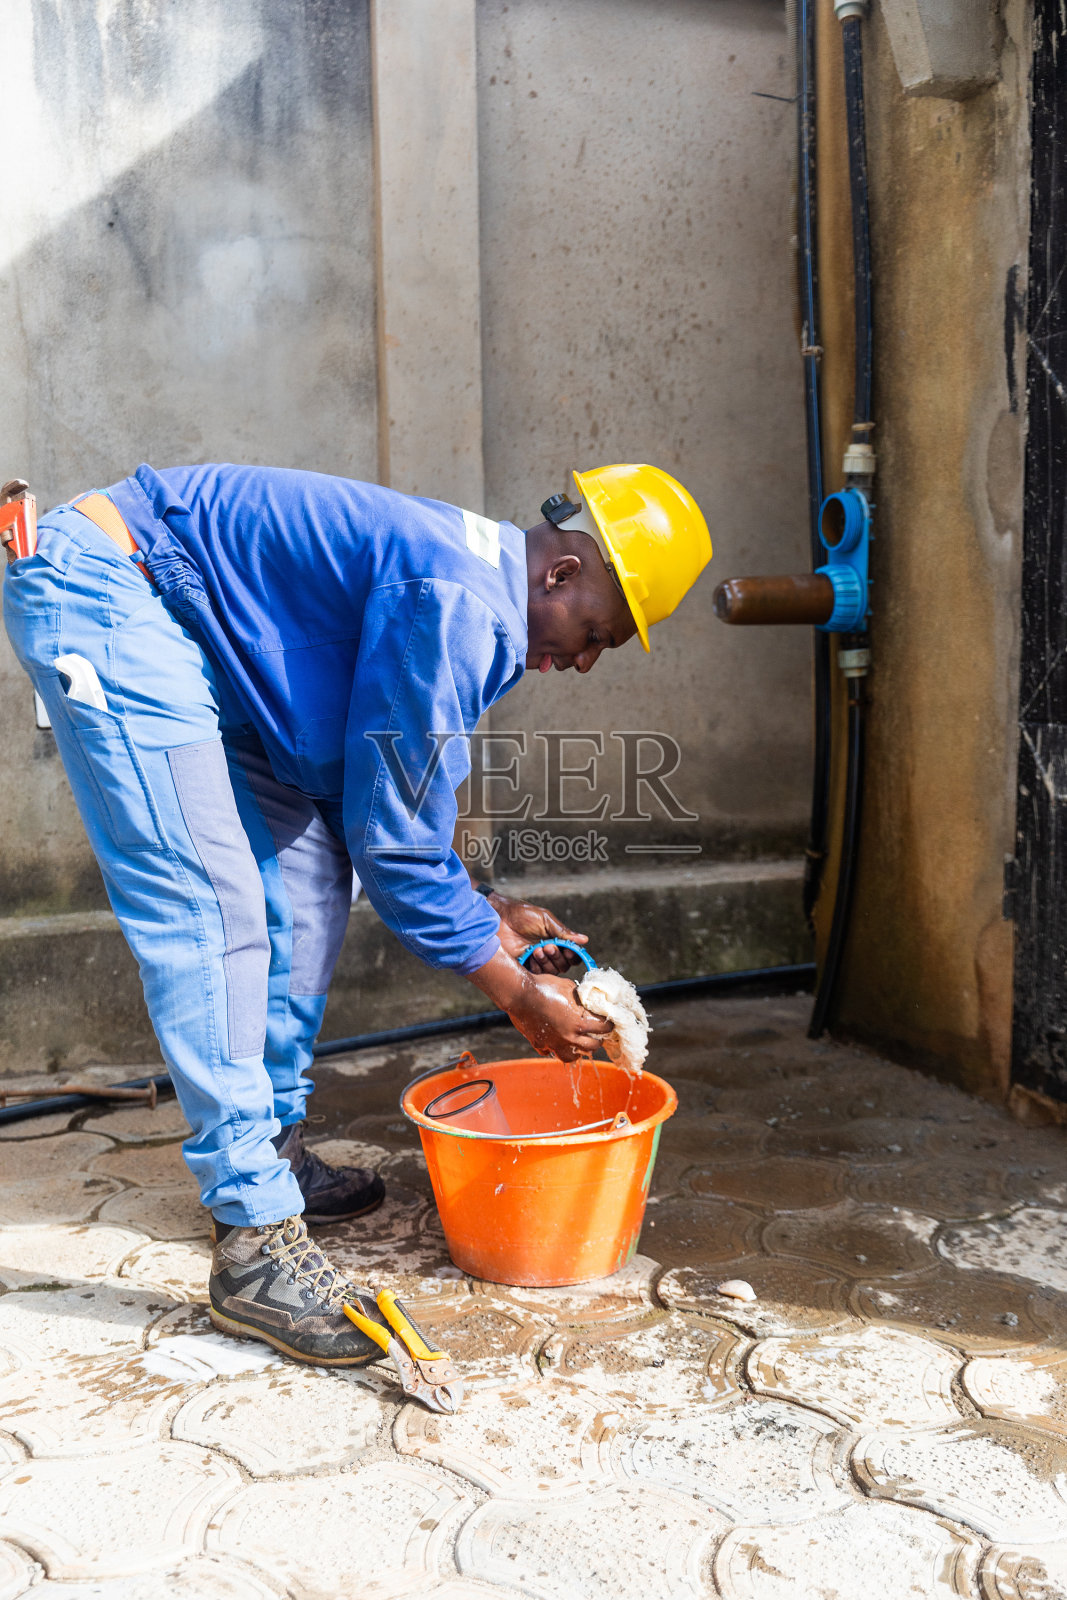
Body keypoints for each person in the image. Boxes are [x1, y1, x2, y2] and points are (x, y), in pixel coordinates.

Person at [3, 461, 711, 1372]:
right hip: (115, 590)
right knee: (209, 907)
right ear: (562, 574)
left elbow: (380, 797)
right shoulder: (461, 602)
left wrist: (483, 911)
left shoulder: (468, 585)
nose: (579, 660)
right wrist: (510, 991)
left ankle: (270, 1148)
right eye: (596, 635)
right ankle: (255, 1243)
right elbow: (397, 843)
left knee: (302, 880)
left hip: (202, 638)